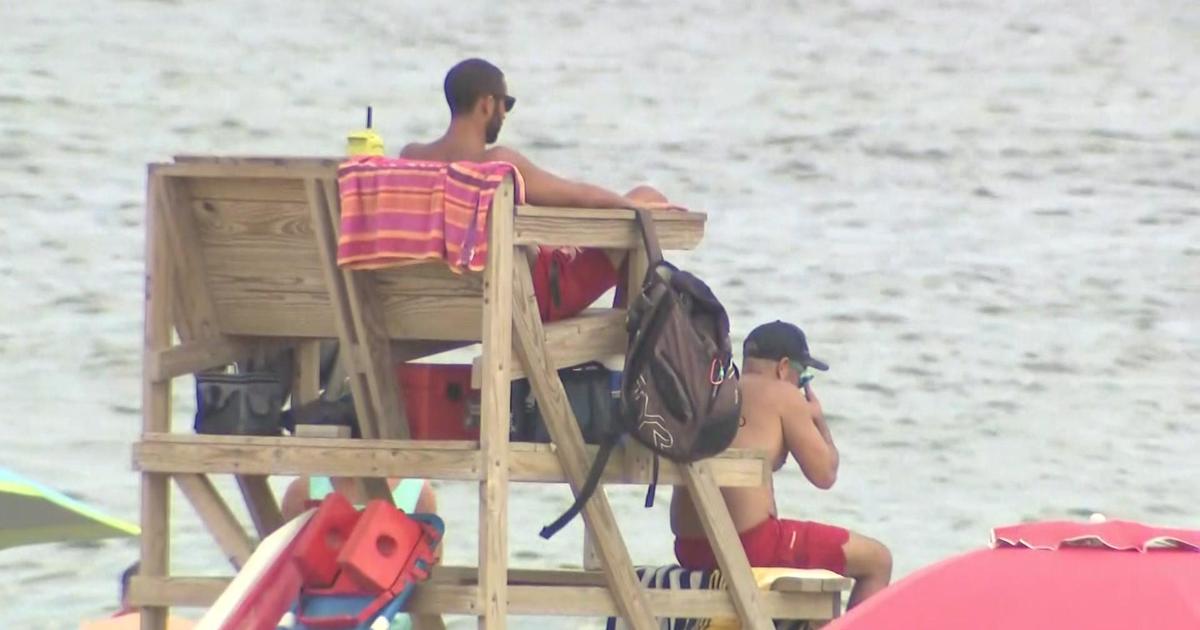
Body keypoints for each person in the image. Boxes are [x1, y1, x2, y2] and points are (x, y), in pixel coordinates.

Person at [401, 58, 674, 321]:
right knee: (647, 199)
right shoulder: (496, 165)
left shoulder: (411, 158)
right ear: (487, 104)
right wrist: (633, 207)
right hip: (529, 299)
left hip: (437, 303)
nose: (505, 114)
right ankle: (628, 346)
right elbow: (578, 197)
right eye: (505, 104)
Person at [670, 321, 892, 608]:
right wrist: (818, 420)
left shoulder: (710, 392)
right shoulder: (782, 395)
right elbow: (825, 475)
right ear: (784, 367)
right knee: (878, 560)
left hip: (690, 547)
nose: (800, 386)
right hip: (750, 545)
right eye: (803, 377)